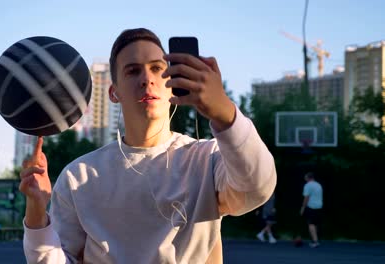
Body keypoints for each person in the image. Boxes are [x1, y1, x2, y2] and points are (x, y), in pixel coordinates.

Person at [19, 28, 276, 263]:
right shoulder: (79, 176)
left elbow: (256, 188)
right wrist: (37, 211)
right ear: (113, 93)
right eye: (132, 71)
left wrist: (224, 111)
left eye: (156, 68)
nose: (146, 79)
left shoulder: (206, 159)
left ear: (171, 80)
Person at [300, 172, 323, 248]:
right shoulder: (318, 185)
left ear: (308, 178)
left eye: (305, 177)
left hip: (311, 206)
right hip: (319, 206)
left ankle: (315, 241)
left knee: (311, 224)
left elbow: (306, 198)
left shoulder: (308, 185)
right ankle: (315, 239)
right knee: (315, 224)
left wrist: (303, 208)